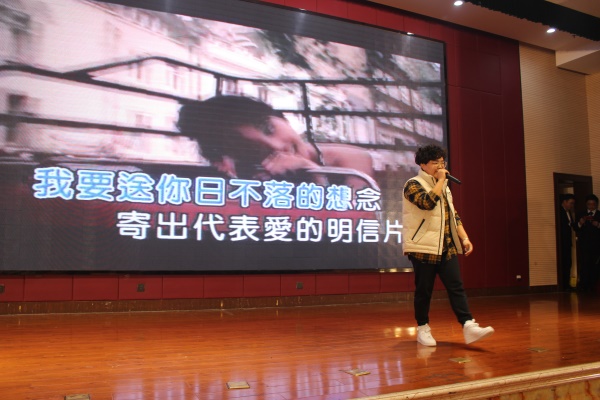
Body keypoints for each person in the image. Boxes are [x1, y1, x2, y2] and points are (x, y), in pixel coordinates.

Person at [177, 95, 375, 189]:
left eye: (269, 129)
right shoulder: (255, 177)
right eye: (253, 149)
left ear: (282, 118)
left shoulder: (351, 159)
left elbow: (354, 223)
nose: (277, 146)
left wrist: (314, 173)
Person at [402, 145, 494, 346]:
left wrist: (465, 238)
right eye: (435, 162)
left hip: (446, 246)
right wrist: (441, 181)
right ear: (423, 165)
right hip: (423, 247)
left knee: (456, 287)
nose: (440, 166)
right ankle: (423, 328)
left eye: (442, 162)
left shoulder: (443, 186)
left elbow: (453, 214)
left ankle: (468, 325)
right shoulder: (413, 184)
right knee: (424, 291)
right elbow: (427, 203)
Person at [575, 194, 600, 292]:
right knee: (584, 264)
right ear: (586, 204)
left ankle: (593, 285)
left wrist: (598, 225)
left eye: (593, 204)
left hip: (597, 244)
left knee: (595, 265)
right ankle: (583, 285)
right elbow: (575, 228)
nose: (591, 206)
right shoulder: (581, 213)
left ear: (596, 204)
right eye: (589, 204)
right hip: (584, 244)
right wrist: (580, 223)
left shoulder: (599, 214)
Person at [558, 194, 576, 291]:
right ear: (564, 202)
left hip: (567, 242)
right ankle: (563, 285)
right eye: (570, 203)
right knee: (564, 263)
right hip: (562, 243)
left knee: (568, 263)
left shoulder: (568, 212)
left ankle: (567, 284)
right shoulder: (559, 212)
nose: (572, 205)